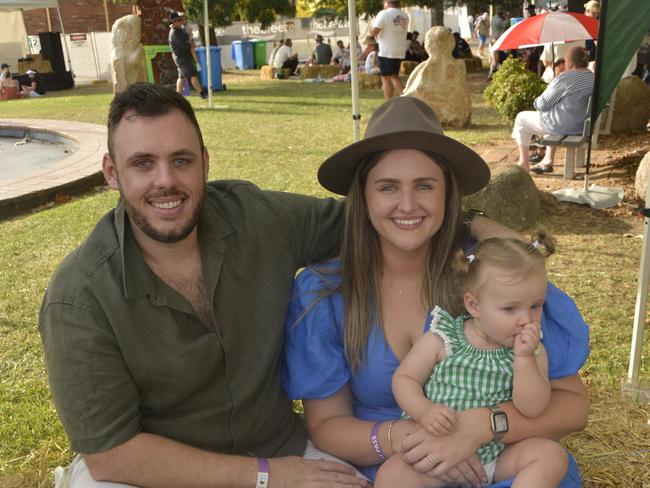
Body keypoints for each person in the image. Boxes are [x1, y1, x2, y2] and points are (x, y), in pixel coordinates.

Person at [39, 83, 370, 488]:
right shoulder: (79, 297)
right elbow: (111, 454)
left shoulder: (257, 219)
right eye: (142, 163)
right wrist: (268, 477)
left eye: (181, 160)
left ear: (205, 163)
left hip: (276, 446)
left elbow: (369, 223)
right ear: (112, 172)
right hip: (157, 474)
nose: (166, 181)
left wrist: (467, 223)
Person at [283, 95, 589, 487]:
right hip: (394, 465)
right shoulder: (325, 292)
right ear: (364, 197)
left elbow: (572, 405)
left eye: (425, 186)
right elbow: (326, 425)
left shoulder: (489, 278)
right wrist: (410, 439)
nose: (407, 204)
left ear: (448, 194)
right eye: (388, 187)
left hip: (499, 462)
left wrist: (483, 425)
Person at [377, 233, 569, 488]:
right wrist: (423, 410)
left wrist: (524, 360)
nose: (527, 319)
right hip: (436, 456)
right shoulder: (443, 338)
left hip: (496, 456)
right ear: (474, 305)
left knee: (551, 456)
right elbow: (405, 378)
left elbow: (533, 409)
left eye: (535, 305)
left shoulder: (531, 351)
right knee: (392, 475)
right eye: (510, 308)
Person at [512, 46, 594, 173]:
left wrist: (553, 83)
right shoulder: (592, 78)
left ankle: (523, 163)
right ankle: (548, 159)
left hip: (564, 125)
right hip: (582, 125)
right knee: (554, 115)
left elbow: (541, 104)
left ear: (570, 63)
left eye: (565, 59)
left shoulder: (566, 78)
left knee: (521, 118)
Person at [370, 0, 409, 99]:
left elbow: (374, 32)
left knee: (385, 79)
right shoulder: (405, 15)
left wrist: (371, 30)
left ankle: (388, 103)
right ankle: (404, 100)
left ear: (387, 2)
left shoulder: (384, 14)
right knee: (395, 76)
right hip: (399, 51)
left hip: (387, 51)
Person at [168, 11, 207, 99]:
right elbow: (184, 45)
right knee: (193, 75)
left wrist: (190, 38)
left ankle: (177, 97)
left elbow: (188, 40)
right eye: (179, 20)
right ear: (174, 22)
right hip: (182, 58)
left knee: (181, 77)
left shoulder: (179, 30)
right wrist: (190, 41)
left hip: (183, 57)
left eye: (181, 19)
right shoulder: (175, 33)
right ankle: (202, 94)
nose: (181, 21)